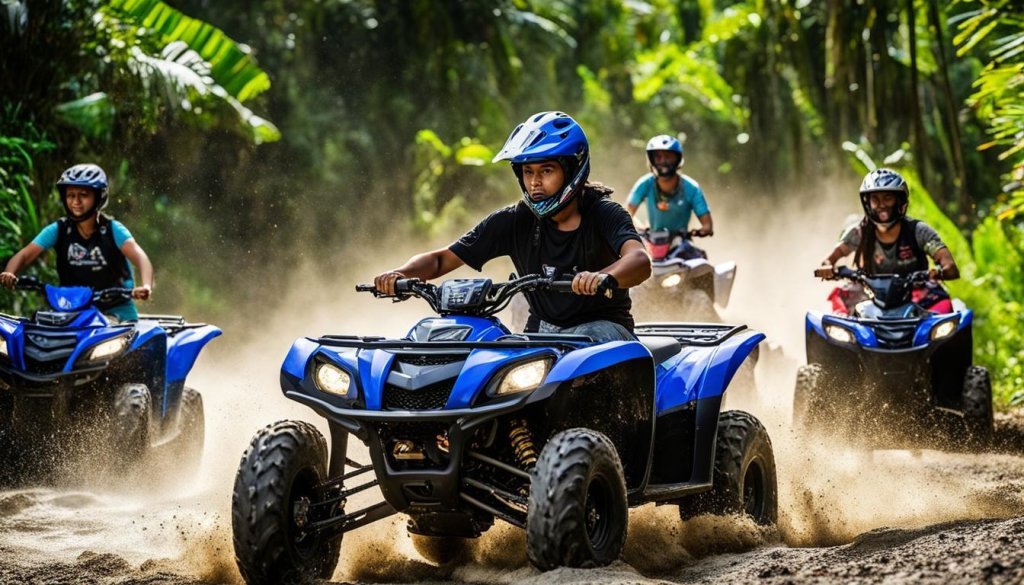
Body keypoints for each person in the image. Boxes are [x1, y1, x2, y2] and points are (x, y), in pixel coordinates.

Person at [373, 111, 651, 342]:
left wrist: (603, 277)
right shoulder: (515, 220)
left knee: (589, 345)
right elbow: (440, 259)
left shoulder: (605, 213)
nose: (535, 182)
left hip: (606, 331)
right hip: (543, 331)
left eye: (546, 171)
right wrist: (399, 275)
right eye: (528, 172)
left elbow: (638, 261)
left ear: (572, 168)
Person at [0, 163, 154, 321]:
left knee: (129, 343)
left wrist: (146, 286)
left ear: (98, 196)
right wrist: (10, 273)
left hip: (117, 310)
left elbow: (141, 258)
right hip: (72, 309)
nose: (76, 201)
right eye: (70, 195)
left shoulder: (113, 230)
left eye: (83, 195)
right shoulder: (59, 229)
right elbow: (25, 255)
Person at [815, 168, 959, 314]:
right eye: (875, 199)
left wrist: (940, 272)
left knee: (944, 308)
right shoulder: (859, 232)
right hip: (868, 294)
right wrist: (827, 266)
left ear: (900, 201)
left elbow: (947, 262)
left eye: (887, 198)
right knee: (833, 314)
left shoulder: (919, 230)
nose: (881, 204)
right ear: (867, 203)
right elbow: (834, 256)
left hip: (916, 294)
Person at [626, 135, 713, 248]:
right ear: (651, 159)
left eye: (668, 156)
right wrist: (641, 229)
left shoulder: (691, 187)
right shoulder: (645, 183)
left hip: (681, 244)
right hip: (651, 244)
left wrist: (699, 231)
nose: (663, 161)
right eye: (658, 157)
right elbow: (627, 214)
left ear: (678, 159)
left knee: (701, 264)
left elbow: (707, 225)